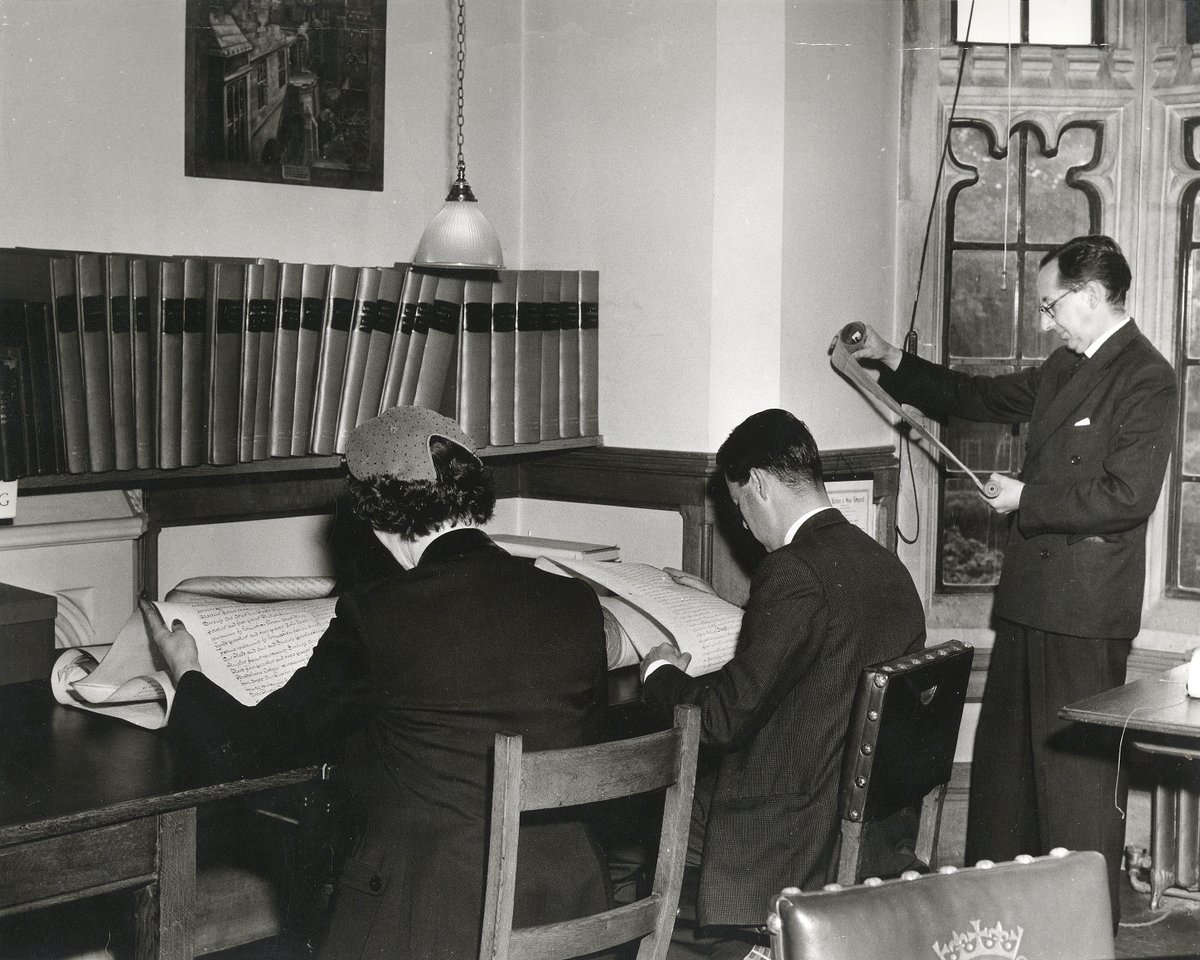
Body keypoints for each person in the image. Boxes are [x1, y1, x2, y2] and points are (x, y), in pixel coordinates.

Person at [145, 406, 612, 960]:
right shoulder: (576, 604)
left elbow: (247, 748)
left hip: (434, 925)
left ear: (375, 517)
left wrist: (187, 672)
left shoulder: (379, 616)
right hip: (575, 911)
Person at [842, 234, 1178, 924]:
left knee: (1077, 790)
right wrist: (889, 358)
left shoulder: (1148, 376)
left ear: (1088, 296)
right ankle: (999, 928)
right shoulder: (1064, 366)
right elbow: (977, 396)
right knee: (1007, 780)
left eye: (1053, 303)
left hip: (1085, 614)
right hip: (1027, 602)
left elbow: (1127, 498)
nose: (1047, 317)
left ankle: (1078, 932)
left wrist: (1029, 500)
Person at [639, 408, 927, 959]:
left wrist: (660, 675)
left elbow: (722, 720)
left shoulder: (792, 572)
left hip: (797, 835)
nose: (742, 522)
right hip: (872, 826)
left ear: (762, 486)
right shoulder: (884, 564)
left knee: (654, 820)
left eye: (739, 503)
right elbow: (817, 664)